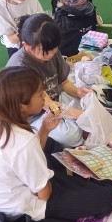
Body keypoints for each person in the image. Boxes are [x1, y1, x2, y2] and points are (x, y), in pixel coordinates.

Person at [0, 67, 112, 222]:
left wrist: (44, 130)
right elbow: (44, 195)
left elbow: (28, 159)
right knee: (110, 195)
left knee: (51, 146)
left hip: (0, 200)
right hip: (22, 210)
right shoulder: (23, 141)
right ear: (22, 106)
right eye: (40, 94)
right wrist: (57, 182)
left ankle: (67, 178)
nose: (45, 97)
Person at [6, 14, 91, 148]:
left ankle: (80, 125)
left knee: (90, 98)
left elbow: (64, 82)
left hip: (57, 100)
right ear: (26, 46)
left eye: (54, 49)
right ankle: (79, 127)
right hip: (36, 115)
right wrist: (82, 115)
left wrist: (78, 92)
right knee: (70, 136)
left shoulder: (50, 50)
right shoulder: (21, 68)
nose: (51, 54)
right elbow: (49, 105)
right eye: (45, 52)